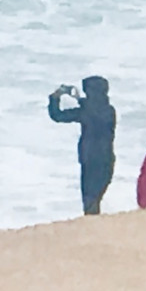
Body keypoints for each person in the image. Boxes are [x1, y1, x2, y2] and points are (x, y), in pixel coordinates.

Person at [47, 75, 116, 215]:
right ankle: (94, 221)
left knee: (90, 196)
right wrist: (79, 99)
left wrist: (55, 97)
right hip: (106, 157)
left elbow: (57, 116)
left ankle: (92, 222)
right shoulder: (109, 110)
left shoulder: (87, 111)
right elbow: (94, 110)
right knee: (95, 195)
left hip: (90, 157)